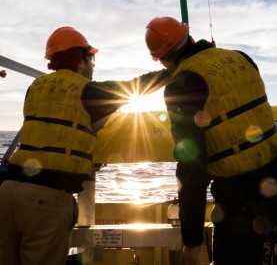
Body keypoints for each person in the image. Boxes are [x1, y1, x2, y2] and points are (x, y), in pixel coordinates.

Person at [0, 26, 170, 265]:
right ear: (79, 61)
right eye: (91, 61)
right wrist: (172, 70)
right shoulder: (87, 91)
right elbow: (138, 86)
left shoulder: (34, 88)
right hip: (45, 201)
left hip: (7, 194)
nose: (93, 67)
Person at [145, 17, 277, 265]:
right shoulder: (241, 57)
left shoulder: (182, 84)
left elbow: (192, 169)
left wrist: (191, 241)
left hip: (241, 204)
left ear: (162, 58)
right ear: (188, 37)